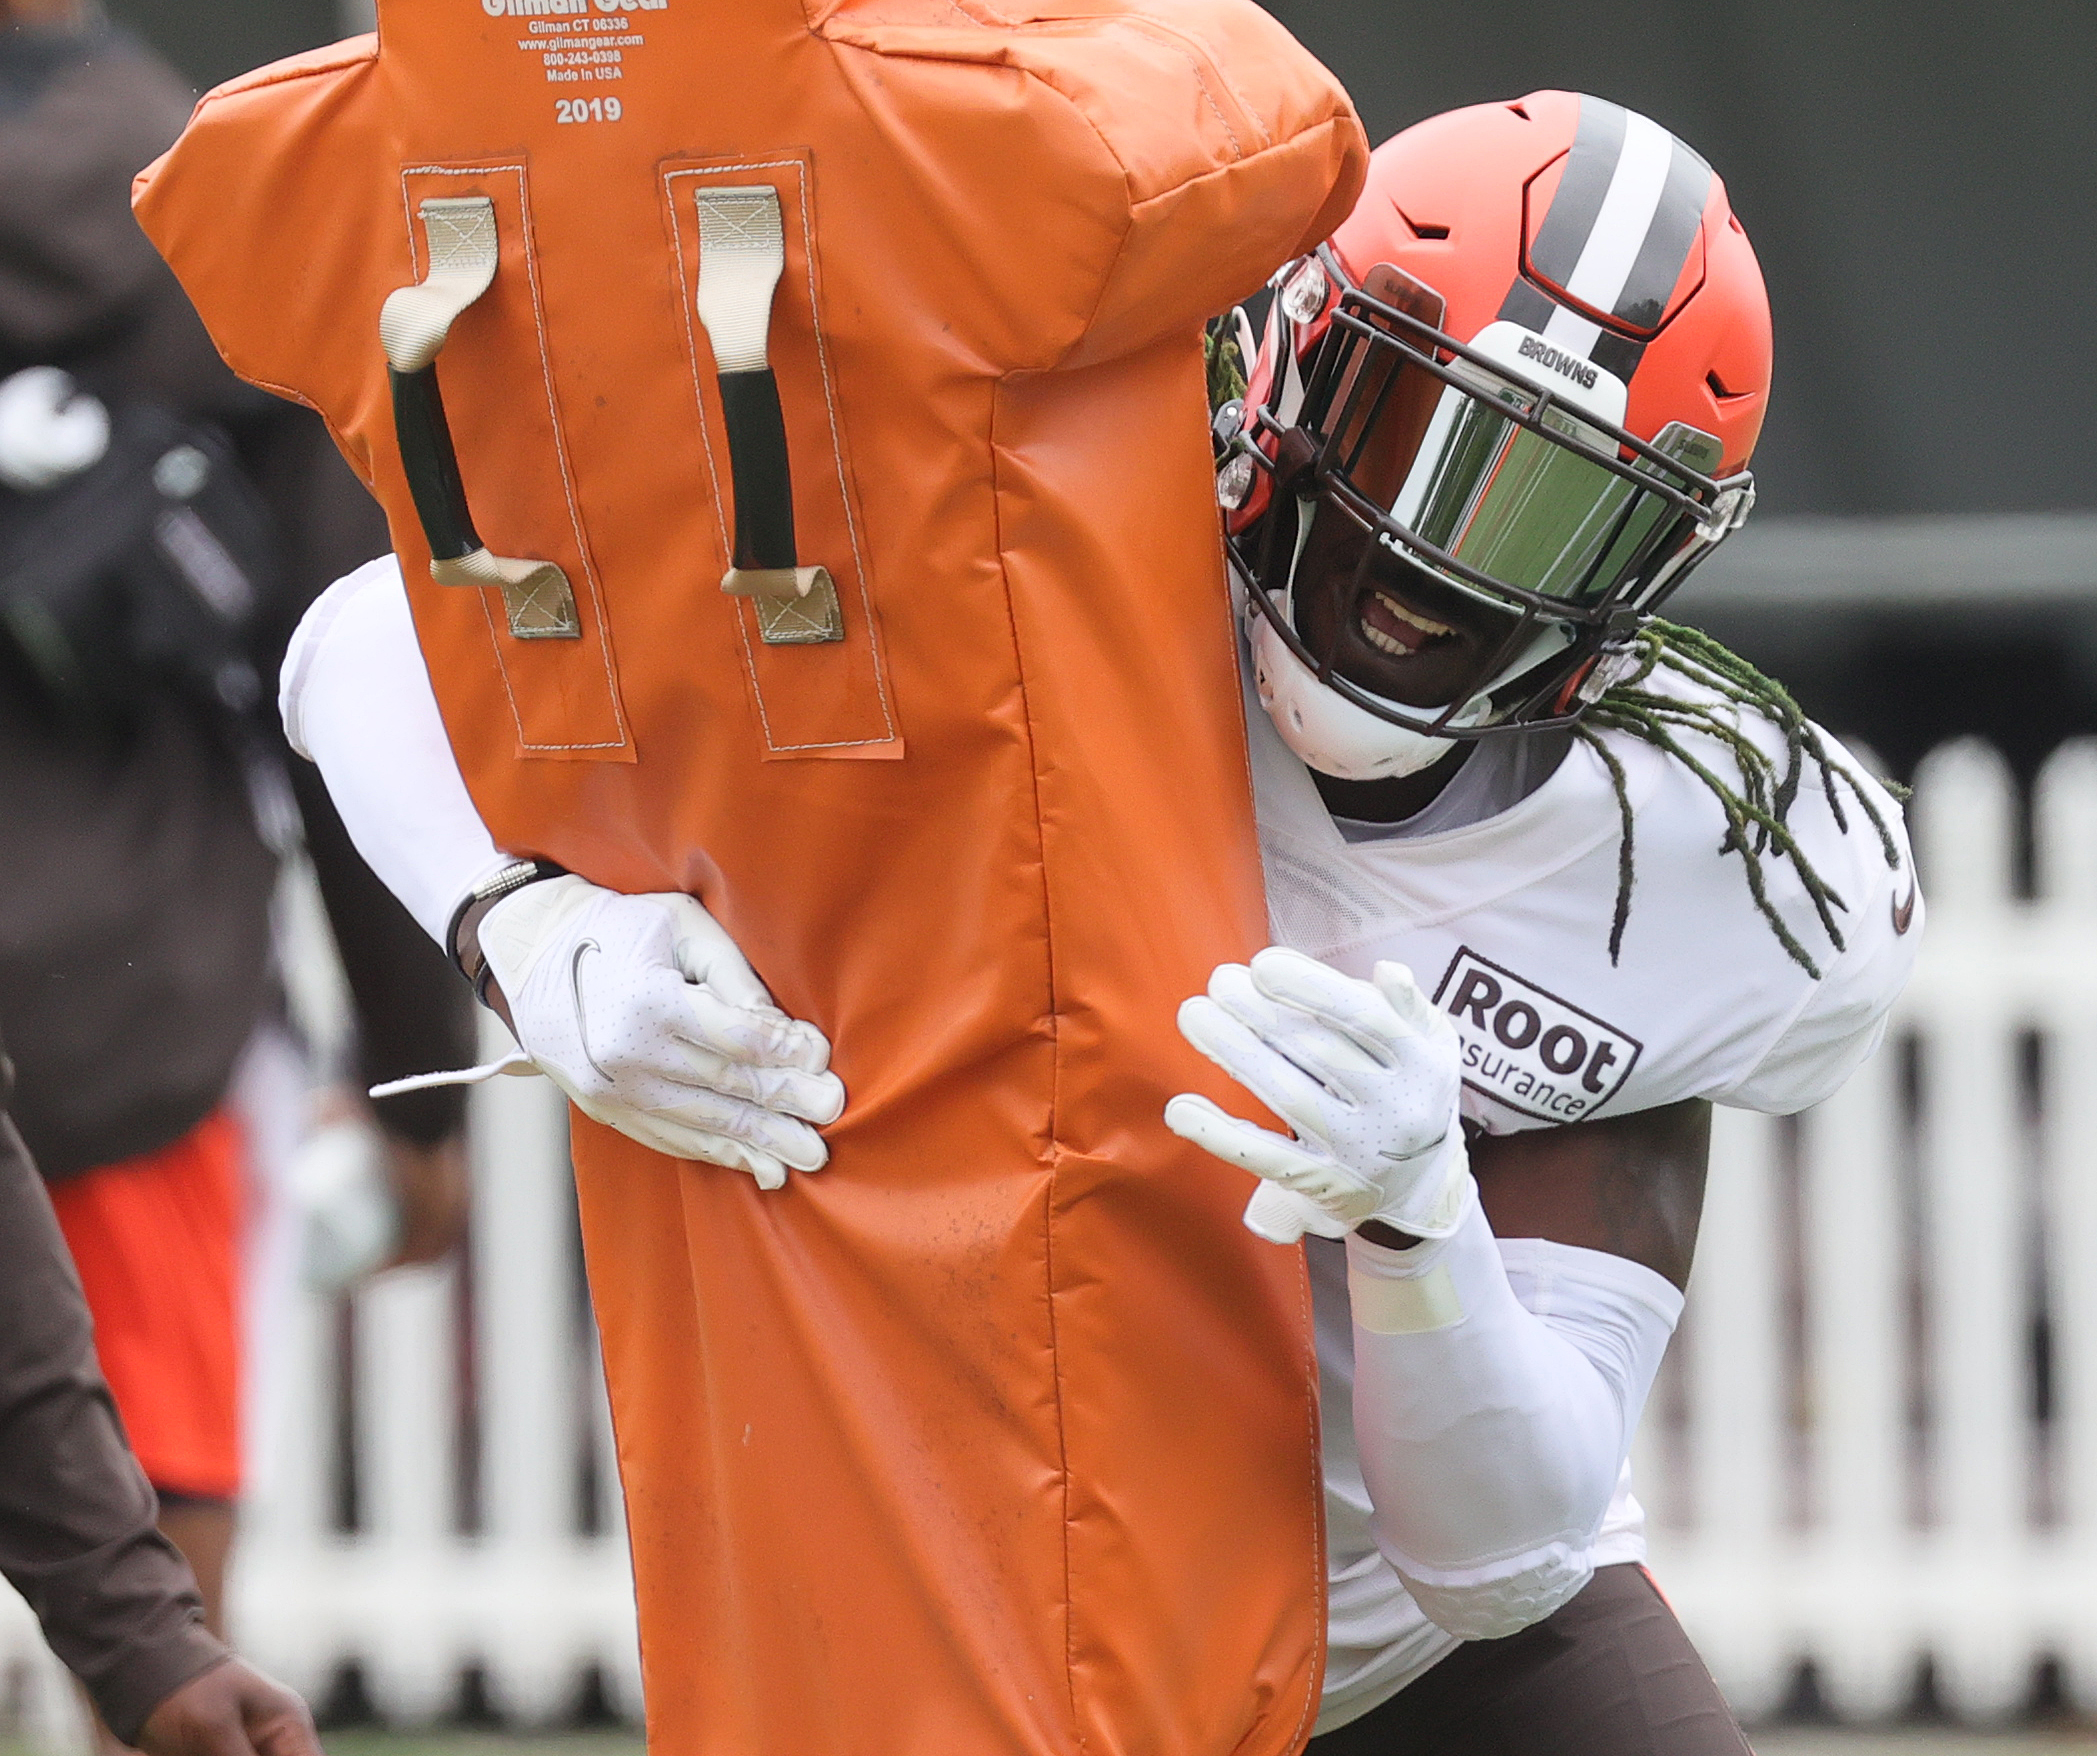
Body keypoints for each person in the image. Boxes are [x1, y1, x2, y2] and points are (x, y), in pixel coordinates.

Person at [134, 4, 1369, 1750]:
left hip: (746, 1206)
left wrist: (516, 919)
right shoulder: (991, 128)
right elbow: (1282, 121)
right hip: (1056, 1247)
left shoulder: (339, 153)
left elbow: (350, 623)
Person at [1165, 91, 1921, 1752]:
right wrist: (523, 914)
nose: (1426, 568)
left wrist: (1422, 1209)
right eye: (1406, 433)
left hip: (1400, 1637)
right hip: (1018, 1573)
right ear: (1290, 370)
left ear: (1644, 574)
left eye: (1535, 509)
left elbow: (1499, 1552)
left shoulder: (1690, 872)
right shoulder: (1089, 574)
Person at [0, 0, 476, 1668]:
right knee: (166, 1637)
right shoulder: (216, 222)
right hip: (143, 1004)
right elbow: (351, 680)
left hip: (140, 1003)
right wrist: (418, 1088)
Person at [0, 1030, 324, 1756]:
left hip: (143, 1077)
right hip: (152, 1067)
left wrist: (147, 1648)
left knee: (149, 1454)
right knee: (161, 1456)